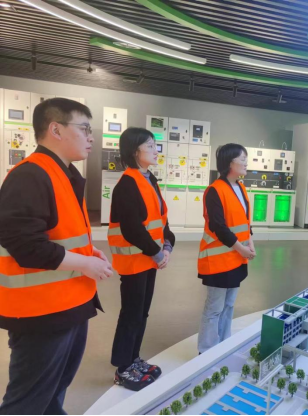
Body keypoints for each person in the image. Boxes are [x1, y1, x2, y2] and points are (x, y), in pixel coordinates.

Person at [0, 98, 113, 415]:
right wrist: (85, 263)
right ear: (56, 129)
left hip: (69, 303)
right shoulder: (30, 175)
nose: (91, 137)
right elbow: (26, 245)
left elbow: (59, 233)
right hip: (41, 312)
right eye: (85, 128)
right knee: (26, 402)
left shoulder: (62, 173)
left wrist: (88, 252)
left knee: (53, 393)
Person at [108, 128, 176, 391]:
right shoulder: (127, 184)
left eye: (155, 145)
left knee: (141, 313)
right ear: (134, 151)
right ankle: (122, 368)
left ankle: (134, 359)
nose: (156, 151)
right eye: (150, 146)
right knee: (131, 314)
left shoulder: (150, 180)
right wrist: (158, 253)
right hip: (135, 261)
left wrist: (167, 246)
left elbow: (161, 220)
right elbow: (132, 229)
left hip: (149, 260)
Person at [197, 144, 255, 354]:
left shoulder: (241, 188)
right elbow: (218, 227)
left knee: (229, 305)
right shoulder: (214, 190)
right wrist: (241, 248)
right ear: (229, 163)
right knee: (214, 308)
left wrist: (250, 242)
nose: (246, 162)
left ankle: (223, 346)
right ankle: (206, 351)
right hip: (219, 261)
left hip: (236, 258)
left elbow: (245, 222)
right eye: (242, 159)